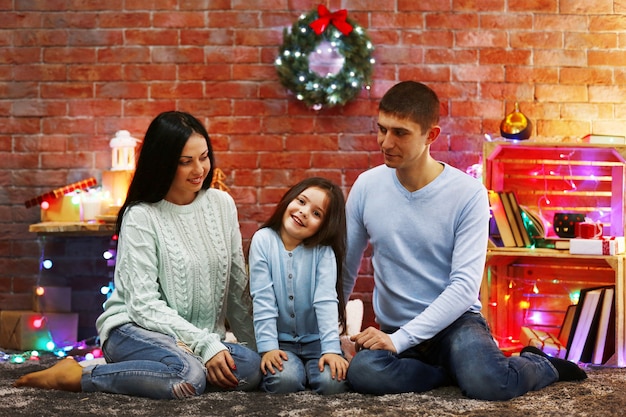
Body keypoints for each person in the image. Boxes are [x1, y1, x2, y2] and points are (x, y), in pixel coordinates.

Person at [342, 81, 587, 401]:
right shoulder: (366, 186)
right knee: (362, 372)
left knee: (489, 384)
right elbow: (344, 267)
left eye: (400, 133)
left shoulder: (468, 193)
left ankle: (539, 364)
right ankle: (450, 372)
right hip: (396, 326)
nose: (385, 142)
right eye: (381, 129)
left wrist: (399, 342)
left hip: (456, 325)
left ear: (431, 136)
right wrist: (335, 337)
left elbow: (463, 288)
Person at [15, 111, 262, 399]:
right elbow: (143, 305)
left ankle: (150, 372)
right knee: (187, 377)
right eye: (185, 162)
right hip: (133, 329)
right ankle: (80, 375)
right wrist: (206, 346)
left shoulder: (222, 204)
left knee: (251, 368)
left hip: (195, 339)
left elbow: (236, 291)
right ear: (162, 163)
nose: (199, 169)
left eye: (204, 157)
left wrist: (260, 347)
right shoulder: (141, 215)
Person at [248, 177, 350, 394]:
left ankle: (311, 371)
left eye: (317, 213)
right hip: (281, 344)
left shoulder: (324, 252)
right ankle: (298, 373)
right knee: (284, 381)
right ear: (288, 200)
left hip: (318, 344)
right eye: (301, 201)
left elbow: (326, 302)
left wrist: (331, 350)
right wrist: (268, 348)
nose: (304, 212)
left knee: (334, 383)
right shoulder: (263, 240)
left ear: (325, 225)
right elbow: (263, 298)